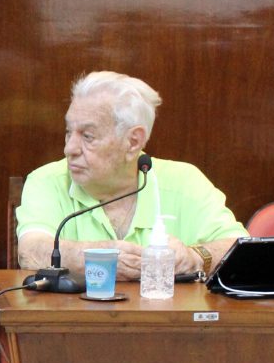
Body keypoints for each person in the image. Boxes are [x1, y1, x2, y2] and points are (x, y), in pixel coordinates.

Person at [17, 71, 245, 280]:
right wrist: (100, 256)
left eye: (87, 136)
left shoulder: (184, 181)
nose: (69, 148)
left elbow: (240, 249)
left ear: (133, 142)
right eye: (69, 132)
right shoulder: (47, 180)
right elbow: (31, 252)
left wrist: (195, 257)